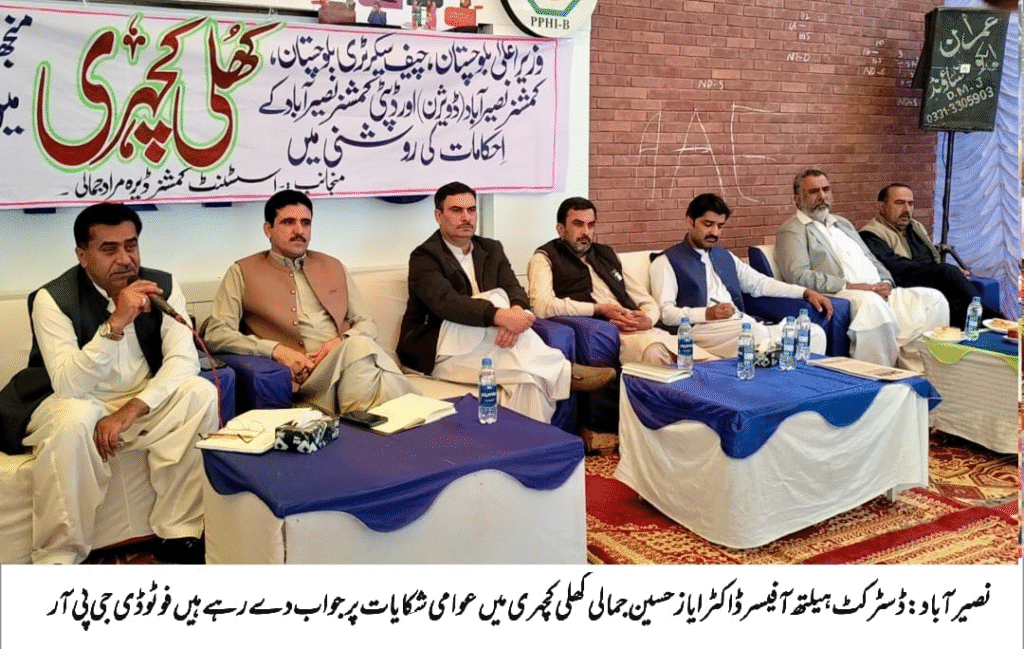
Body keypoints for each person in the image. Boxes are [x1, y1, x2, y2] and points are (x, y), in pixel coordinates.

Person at [15, 203, 217, 564]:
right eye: (109, 249)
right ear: (83, 255)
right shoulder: (53, 298)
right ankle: (59, 556)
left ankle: (179, 532)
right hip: (75, 399)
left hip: (137, 402)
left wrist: (129, 412)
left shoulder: (162, 285)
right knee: (74, 418)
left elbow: (183, 361)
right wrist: (116, 322)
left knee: (199, 392)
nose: (125, 259)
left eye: (131, 245)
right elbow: (68, 385)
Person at [398, 182, 615, 423]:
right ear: (439, 216)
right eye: (457, 210)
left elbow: (514, 288)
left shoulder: (491, 249)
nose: (466, 217)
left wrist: (516, 313)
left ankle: (531, 445)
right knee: (495, 298)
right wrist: (502, 316)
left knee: (528, 381)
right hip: (438, 348)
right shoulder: (424, 257)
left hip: (487, 341)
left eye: (471, 210)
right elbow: (447, 304)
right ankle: (564, 371)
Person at [204, 190, 414, 414]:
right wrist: (275, 350)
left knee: (358, 349)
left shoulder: (333, 266)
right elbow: (216, 334)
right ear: (268, 230)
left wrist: (340, 341)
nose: (299, 230)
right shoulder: (242, 271)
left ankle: (360, 423)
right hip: (304, 378)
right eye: (288, 222)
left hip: (345, 363)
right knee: (364, 354)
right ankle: (408, 410)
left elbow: (366, 323)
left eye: (306, 223)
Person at [775, 170, 948, 367]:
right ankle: (877, 374)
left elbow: (871, 258)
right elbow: (798, 275)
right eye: (814, 191)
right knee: (872, 306)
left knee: (934, 300)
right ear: (797, 200)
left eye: (826, 189)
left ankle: (915, 371)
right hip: (844, 293)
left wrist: (886, 282)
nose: (822, 196)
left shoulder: (842, 223)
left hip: (878, 291)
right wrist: (853, 286)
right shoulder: (792, 229)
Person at [528, 196, 712, 365]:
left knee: (707, 361)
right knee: (658, 353)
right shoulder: (544, 258)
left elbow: (646, 301)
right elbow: (541, 306)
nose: (586, 232)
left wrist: (648, 319)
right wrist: (598, 309)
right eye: (578, 224)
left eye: (591, 225)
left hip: (644, 329)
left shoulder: (606, 254)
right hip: (613, 333)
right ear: (561, 229)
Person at [650, 193, 831, 358]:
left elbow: (761, 284)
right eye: (708, 224)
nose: (715, 232)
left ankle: (794, 375)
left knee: (813, 333)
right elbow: (665, 313)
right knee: (753, 333)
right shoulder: (667, 261)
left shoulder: (724, 256)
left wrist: (805, 292)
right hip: (701, 329)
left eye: (720, 226)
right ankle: (772, 352)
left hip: (739, 325)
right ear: (690, 222)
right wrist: (708, 313)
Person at [859, 183, 1004, 328]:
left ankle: (986, 331)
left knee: (954, 297)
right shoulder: (871, 234)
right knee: (946, 272)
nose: (906, 209)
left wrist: (950, 274)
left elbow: (934, 257)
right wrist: (939, 271)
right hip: (903, 285)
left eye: (910, 204)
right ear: (882, 207)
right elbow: (894, 266)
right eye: (899, 203)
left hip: (932, 281)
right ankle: (996, 321)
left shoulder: (916, 227)